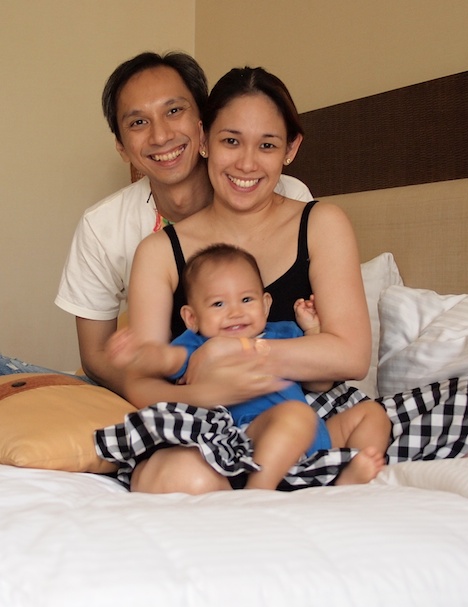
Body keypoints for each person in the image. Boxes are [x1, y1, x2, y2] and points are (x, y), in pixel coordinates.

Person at [107, 65, 373, 494]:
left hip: (305, 415)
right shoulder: (159, 252)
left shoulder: (322, 223)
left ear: (290, 149)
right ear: (204, 139)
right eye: (230, 141)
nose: (246, 163)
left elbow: (351, 355)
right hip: (203, 423)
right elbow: (140, 382)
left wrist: (232, 351)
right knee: (184, 476)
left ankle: (312, 485)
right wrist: (205, 392)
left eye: (267, 145)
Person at [0, 51, 312, 385]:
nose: (160, 136)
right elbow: (95, 355)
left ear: (204, 125)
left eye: (174, 111)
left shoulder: (282, 198)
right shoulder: (103, 226)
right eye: (138, 122)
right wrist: (164, 393)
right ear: (121, 146)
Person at [107, 243, 390, 490]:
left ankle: (349, 475)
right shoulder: (198, 345)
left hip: (314, 438)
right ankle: (258, 490)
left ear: (265, 305)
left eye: (246, 299)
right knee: (296, 414)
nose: (235, 312)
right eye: (218, 304)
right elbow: (166, 360)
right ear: (191, 318)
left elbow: (319, 383)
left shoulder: (284, 333)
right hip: (252, 438)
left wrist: (313, 330)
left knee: (372, 414)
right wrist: (137, 355)